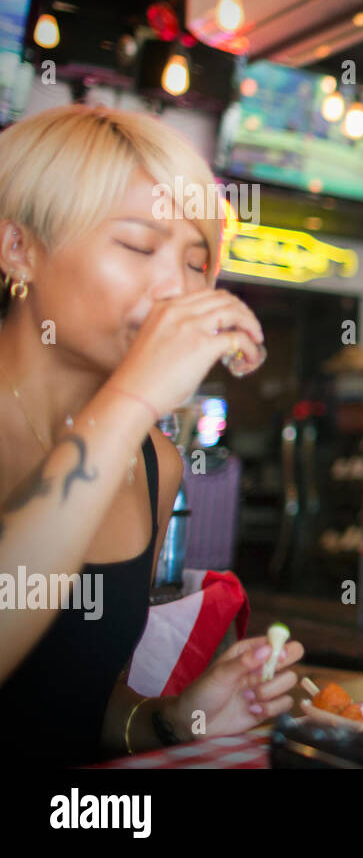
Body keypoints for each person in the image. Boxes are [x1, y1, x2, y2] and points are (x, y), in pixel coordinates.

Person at [0, 105, 302, 765]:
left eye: (197, 264)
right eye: (138, 246)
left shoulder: (153, 462)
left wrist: (174, 720)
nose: (176, 288)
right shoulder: (130, 426)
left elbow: (66, 699)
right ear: (18, 247)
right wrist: (133, 397)